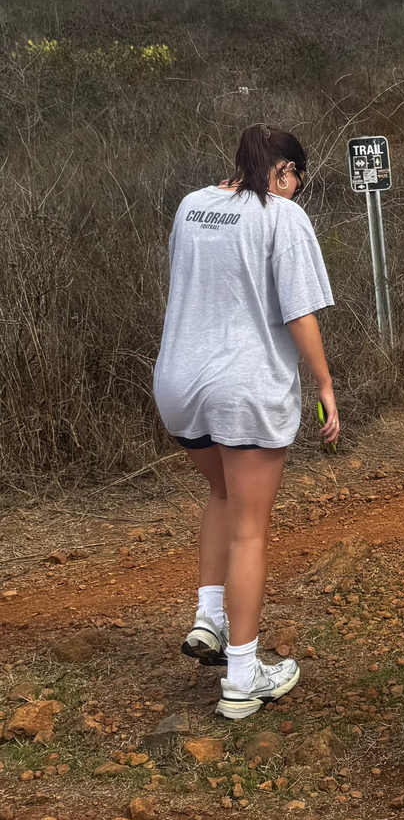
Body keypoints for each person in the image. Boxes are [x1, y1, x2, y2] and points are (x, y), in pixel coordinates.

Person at [154, 125, 339, 719]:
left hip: (179, 383)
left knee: (222, 492)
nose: (295, 194)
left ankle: (210, 616)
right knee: (251, 529)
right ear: (284, 172)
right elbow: (299, 313)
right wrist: (324, 383)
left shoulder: (192, 206)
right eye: (296, 184)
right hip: (244, 388)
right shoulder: (282, 216)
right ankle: (241, 677)